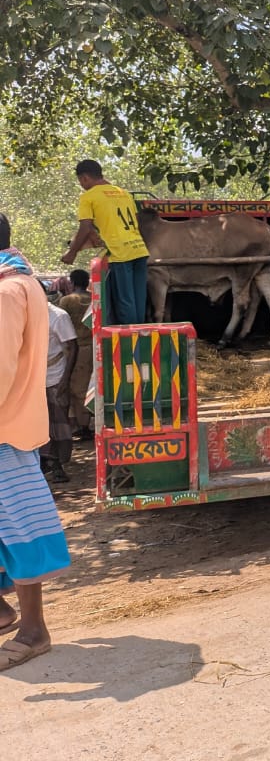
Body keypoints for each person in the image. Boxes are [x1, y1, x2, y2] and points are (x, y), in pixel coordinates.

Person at [0, 213, 72, 671]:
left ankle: (33, 631)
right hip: (14, 420)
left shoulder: (6, 292)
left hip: (4, 427)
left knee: (20, 524)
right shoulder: (21, 282)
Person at [61, 160, 149, 326]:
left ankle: (128, 340)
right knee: (139, 301)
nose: (81, 185)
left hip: (118, 253)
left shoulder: (89, 197)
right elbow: (137, 222)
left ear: (85, 178)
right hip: (139, 250)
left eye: (80, 181)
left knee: (125, 303)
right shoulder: (124, 193)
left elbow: (85, 227)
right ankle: (140, 335)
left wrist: (71, 253)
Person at [40, 300, 77, 484]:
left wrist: (65, 379)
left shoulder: (58, 316)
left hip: (56, 375)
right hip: (34, 377)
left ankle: (57, 465)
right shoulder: (25, 313)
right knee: (40, 423)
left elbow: (73, 346)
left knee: (58, 422)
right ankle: (45, 463)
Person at [57, 270, 94, 440]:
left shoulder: (67, 301)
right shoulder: (94, 299)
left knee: (78, 388)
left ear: (72, 282)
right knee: (88, 385)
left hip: (76, 349)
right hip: (93, 346)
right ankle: (85, 423)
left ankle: (84, 427)